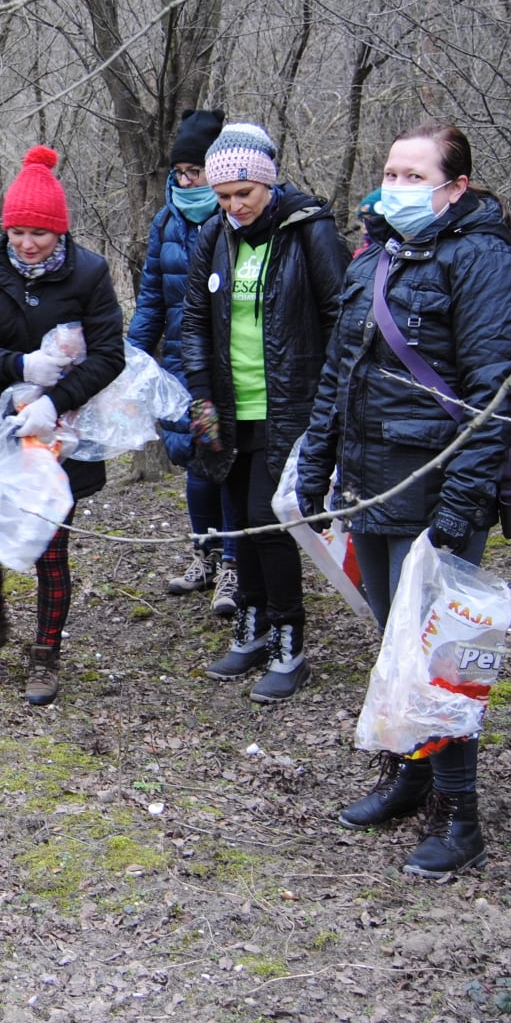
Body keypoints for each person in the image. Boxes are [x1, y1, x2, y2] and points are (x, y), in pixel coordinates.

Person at [294, 123, 511, 877]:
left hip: (435, 488)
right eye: (390, 171)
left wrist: (456, 507)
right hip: (369, 485)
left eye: (413, 175)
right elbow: (340, 373)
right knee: (392, 647)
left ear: (456, 187)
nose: (394, 186)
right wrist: (316, 465)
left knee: (438, 660)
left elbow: (496, 399)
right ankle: (409, 775)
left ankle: (459, 816)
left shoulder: (489, 264)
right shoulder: (375, 254)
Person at [0, 145, 125, 706]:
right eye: (18, 231)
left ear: (60, 233)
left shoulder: (90, 273)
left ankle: (45, 654)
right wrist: (18, 367)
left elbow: (110, 355)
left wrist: (58, 397)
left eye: (39, 234)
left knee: (50, 553)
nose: (26, 244)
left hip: (61, 435)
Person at [181, 123, 348, 702]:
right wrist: (202, 406)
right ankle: (251, 627)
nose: (234, 206)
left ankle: (289, 641)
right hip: (226, 408)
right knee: (237, 519)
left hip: (292, 405)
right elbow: (195, 322)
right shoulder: (215, 235)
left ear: (268, 184)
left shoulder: (310, 231)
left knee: (269, 521)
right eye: (224, 197)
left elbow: (342, 319)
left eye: (244, 194)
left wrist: (331, 407)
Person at [127, 108, 241, 617]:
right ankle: (207, 555)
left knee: (229, 463)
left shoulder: (236, 217)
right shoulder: (167, 219)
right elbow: (152, 297)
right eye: (179, 173)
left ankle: (237, 562)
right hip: (184, 369)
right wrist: (130, 357)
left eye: (194, 171)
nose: (186, 180)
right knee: (198, 458)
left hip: (233, 370)